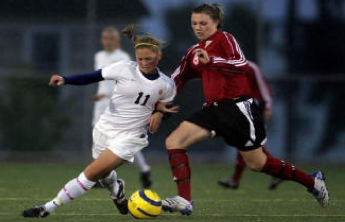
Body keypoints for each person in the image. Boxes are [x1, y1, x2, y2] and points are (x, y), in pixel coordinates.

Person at [160, 3, 329, 216]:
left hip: (238, 109)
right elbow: (177, 77)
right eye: (194, 23)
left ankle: (313, 182)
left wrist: (213, 60)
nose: (198, 27)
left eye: (204, 23)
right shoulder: (194, 51)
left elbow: (241, 64)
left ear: (216, 22)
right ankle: (184, 200)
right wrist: (161, 100)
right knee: (174, 141)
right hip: (213, 111)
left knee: (258, 164)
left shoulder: (225, 39)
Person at [22, 24, 178, 218]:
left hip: (131, 136)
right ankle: (117, 191)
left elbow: (167, 108)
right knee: (104, 176)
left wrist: (160, 114)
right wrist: (65, 79)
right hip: (104, 128)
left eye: (149, 59)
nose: (144, 63)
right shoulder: (124, 68)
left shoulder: (167, 84)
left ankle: (47, 208)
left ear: (159, 55)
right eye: (140, 59)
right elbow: (92, 77)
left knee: (91, 173)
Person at [93, 26, 152, 188]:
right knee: (100, 137)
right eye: (105, 38)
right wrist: (100, 94)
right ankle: (100, 175)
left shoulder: (123, 57)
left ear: (117, 41)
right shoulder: (99, 56)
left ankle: (144, 169)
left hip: (117, 104)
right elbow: (101, 79)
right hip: (101, 103)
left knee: (125, 139)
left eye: (111, 39)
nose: (108, 42)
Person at [218, 60, 283, 190]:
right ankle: (277, 172)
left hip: (251, 108)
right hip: (236, 109)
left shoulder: (250, 67)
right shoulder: (222, 68)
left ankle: (277, 171)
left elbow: (262, 87)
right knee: (246, 143)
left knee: (248, 143)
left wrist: (268, 106)